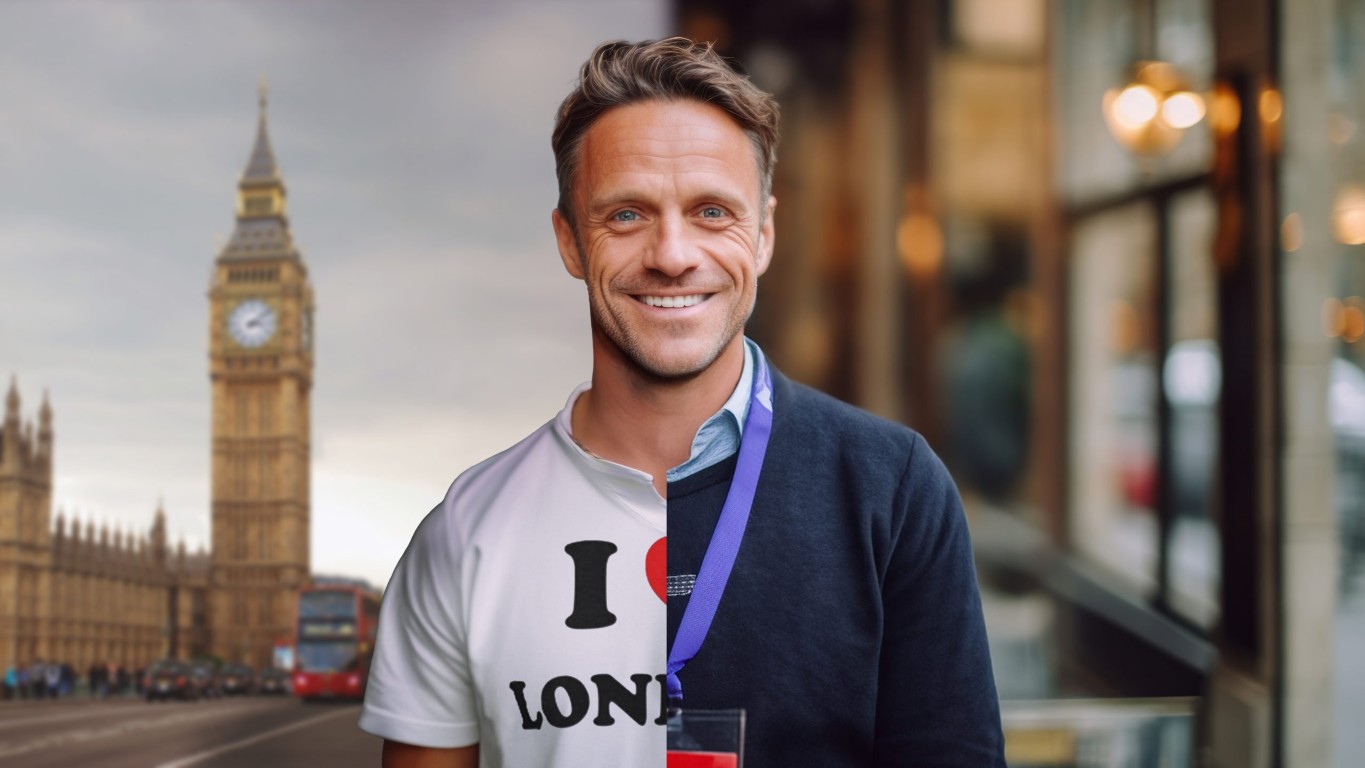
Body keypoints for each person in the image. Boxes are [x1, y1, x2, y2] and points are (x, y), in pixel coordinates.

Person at [360, 37, 1003, 768]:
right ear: (569, 241)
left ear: (763, 233)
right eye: (627, 215)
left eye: (710, 213)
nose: (672, 254)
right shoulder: (463, 531)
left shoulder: (892, 488)